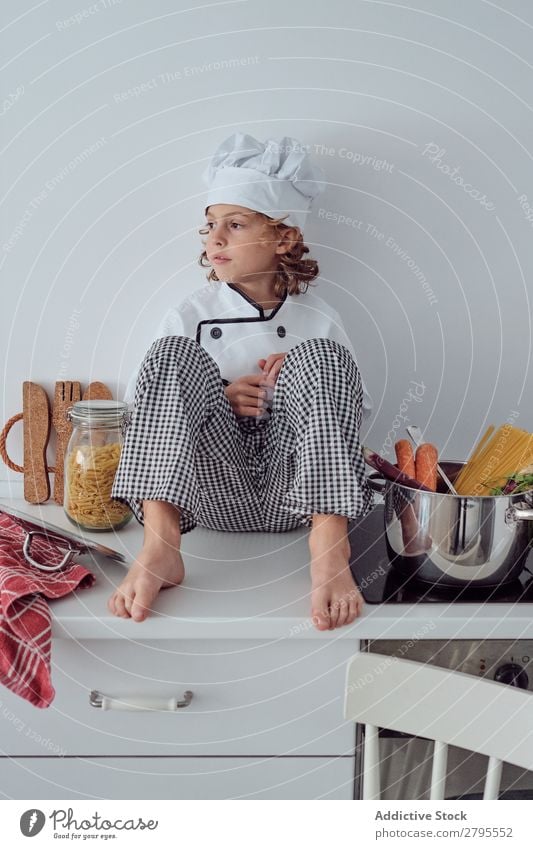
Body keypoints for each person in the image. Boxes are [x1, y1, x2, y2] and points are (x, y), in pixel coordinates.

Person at [108, 132, 374, 629]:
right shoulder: (190, 314)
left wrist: (293, 385)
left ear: (284, 237)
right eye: (210, 225)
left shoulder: (320, 319)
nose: (215, 239)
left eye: (235, 224)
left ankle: (329, 549)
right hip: (208, 492)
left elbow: (350, 421)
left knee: (321, 358)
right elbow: (146, 413)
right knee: (170, 355)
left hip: (295, 494)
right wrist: (221, 396)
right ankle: (162, 547)